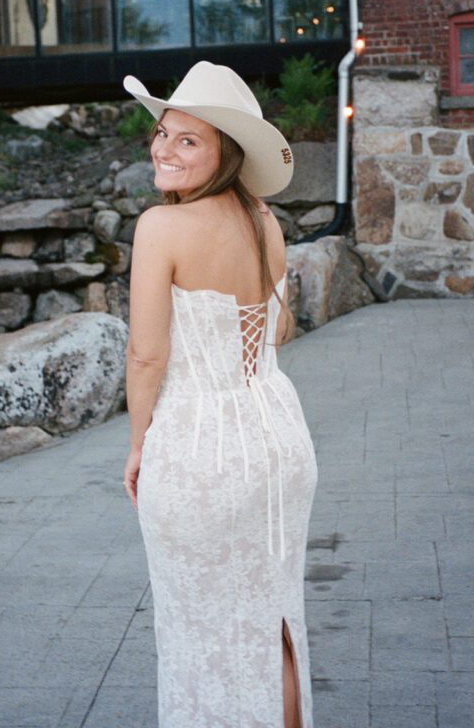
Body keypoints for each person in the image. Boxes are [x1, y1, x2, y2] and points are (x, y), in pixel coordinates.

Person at [122, 61, 318, 728]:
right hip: (277, 435)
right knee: (275, 621)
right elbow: (271, 333)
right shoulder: (265, 221)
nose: (163, 149)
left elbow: (147, 355)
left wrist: (136, 446)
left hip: (198, 447)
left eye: (187, 141)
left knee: (198, 631)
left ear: (224, 153)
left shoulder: (160, 228)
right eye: (162, 133)